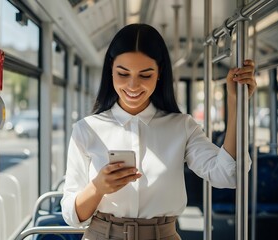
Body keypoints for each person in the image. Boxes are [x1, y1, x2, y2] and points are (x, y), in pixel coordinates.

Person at [61, 23, 256, 239]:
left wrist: (235, 103)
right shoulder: (86, 130)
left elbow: (229, 176)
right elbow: (71, 215)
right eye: (123, 74)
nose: (133, 86)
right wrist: (97, 188)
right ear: (110, 70)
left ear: (159, 73)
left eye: (145, 75)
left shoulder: (182, 127)